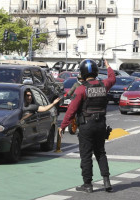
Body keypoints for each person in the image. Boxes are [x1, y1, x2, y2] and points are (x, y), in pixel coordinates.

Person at [58, 59, 116, 193]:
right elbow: (112, 78)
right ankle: (106, 181)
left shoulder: (81, 89)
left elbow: (71, 110)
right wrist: (108, 67)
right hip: (101, 124)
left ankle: (88, 185)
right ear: (96, 72)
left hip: (86, 125)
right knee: (101, 153)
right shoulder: (104, 85)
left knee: (86, 155)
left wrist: (63, 126)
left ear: (82, 73)